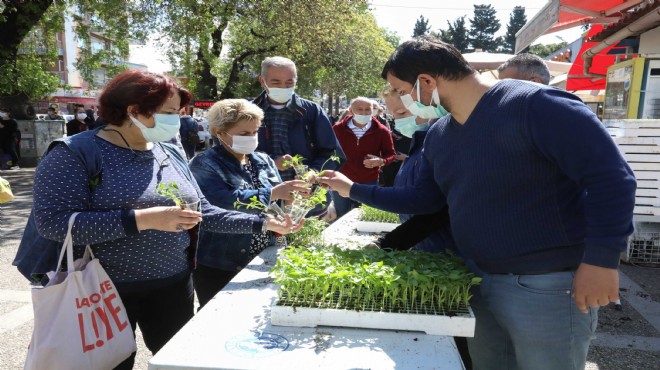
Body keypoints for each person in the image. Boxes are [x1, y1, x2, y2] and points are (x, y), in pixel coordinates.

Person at [319, 35, 636, 370]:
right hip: (478, 279)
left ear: (427, 82)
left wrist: (602, 261)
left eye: (400, 90)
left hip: (547, 285)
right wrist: (353, 189)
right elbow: (426, 199)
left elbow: (611, 179)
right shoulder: (441, 134)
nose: (399, 101)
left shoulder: (538, 105)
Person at [29, 69, 299, 369]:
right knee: (108, 364)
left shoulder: (168, 151)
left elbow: (202, 212)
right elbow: (54, 223)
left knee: (179, 362)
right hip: (101, 291)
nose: (176, 120)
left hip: (173, 284)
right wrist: (144, 219)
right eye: (169, 112)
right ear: (134, 110)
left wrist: (262, 223)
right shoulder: (76, 152)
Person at [189, 99, 310, 308]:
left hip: (266, 252)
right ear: (219, 132)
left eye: (254, 132)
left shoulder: (263, 160)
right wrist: (272, 192)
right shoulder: (204, 163)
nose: (252, 138)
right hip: (223, 259)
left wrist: (292, 200)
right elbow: (220, 205)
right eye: (244, 134)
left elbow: (278, 203)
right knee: (219, 316)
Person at [252, 56, 345, 216]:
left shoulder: (312, 111)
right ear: (262, 80)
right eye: (276, 82)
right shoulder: (249, 111)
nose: (283, 87)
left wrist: (314, 172)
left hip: (307, 198)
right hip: (261, 197)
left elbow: (332, 153)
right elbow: (235, 152)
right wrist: (272, 162)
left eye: (289, 83)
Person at [331, 96, 395, 218]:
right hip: (341, 178)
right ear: (351, 110)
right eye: (360, 109)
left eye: (368, 109)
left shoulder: (382, 131)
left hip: (368, 181)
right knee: (341, 214)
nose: (364, 113)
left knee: (365, 216)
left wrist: (381, 161)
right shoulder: (337, 129)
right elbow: (328, 151)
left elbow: (391, 154)